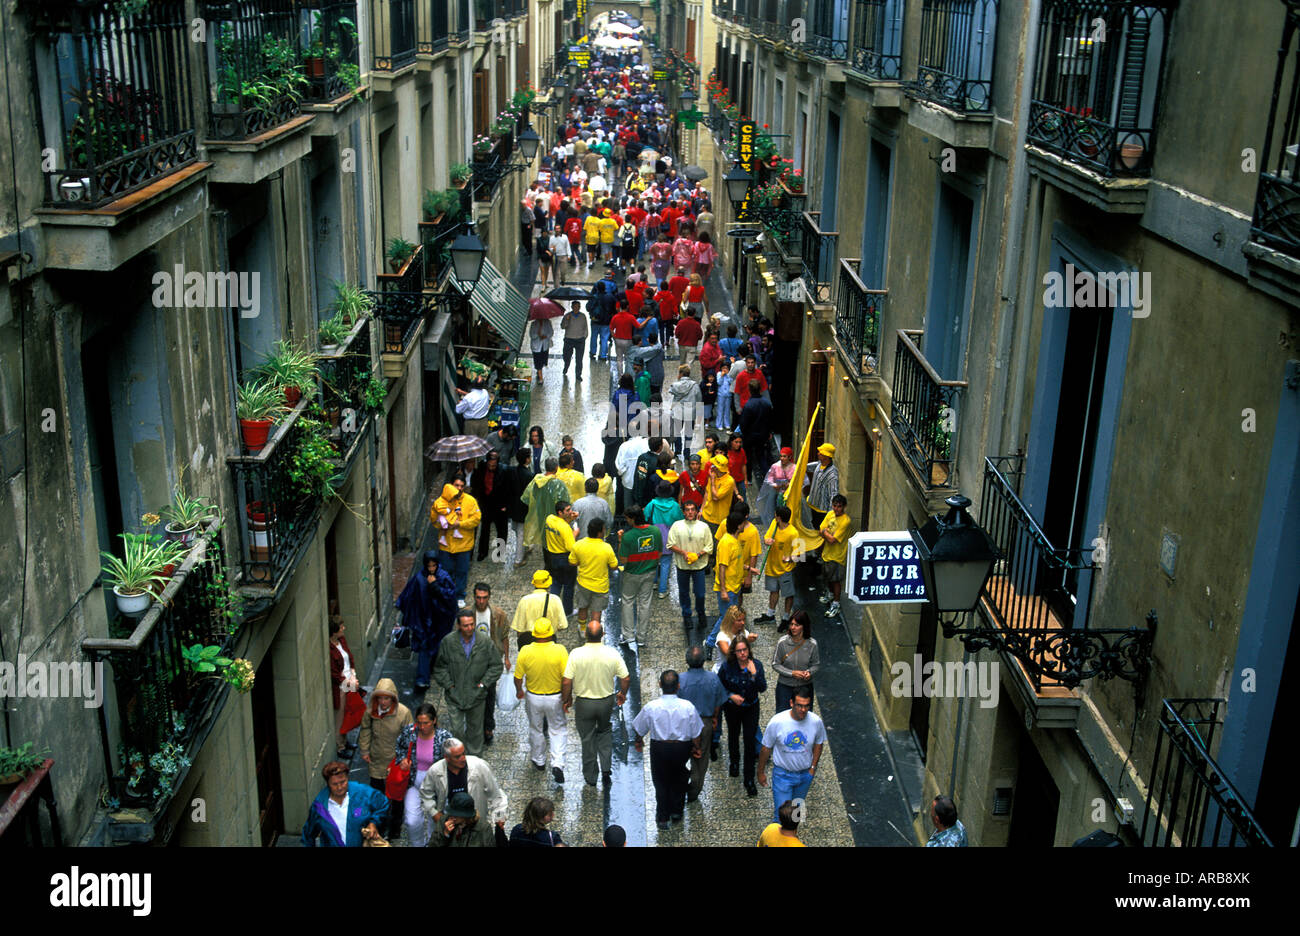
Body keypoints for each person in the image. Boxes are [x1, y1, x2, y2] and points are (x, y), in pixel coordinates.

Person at [631, 670, 705, 831]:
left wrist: (639, 741)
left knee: (661, 781)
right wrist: (697, 748)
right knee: (680, 777)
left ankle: (662, 816)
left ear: (660, 685)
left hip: (660, 748)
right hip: (681, 748)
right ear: (678, 686)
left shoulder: (652, 707)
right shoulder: (688, 707)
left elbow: (639, 727)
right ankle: (677, 811)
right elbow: (696, 732)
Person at [562, 621, 631, 787]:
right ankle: (606, 769)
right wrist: (622, 694)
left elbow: (566, 681)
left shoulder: (576, 654)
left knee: (587, 739)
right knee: (605, 731)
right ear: (603, 634)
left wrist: (567, 699)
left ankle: (591, 777)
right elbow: (626, 677)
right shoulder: (611, 653)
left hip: (584, 703)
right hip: (605, 701)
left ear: (586, 635)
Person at [431, 609, 503, 756]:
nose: (469, 628)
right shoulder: (448, 642)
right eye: (465, 626)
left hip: (477, 695)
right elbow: (439, 667)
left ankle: (475, 759)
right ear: (458, 626)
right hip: (454, 695)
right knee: (457, 729)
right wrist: (449, 685)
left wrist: (484, 684)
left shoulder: (484, 642)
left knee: (475, 731)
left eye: (472, 625)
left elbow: (496, 666)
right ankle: (458, 758)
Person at [757, 687, 826, 824]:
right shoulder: (777, 722)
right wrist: (760, 772)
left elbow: (819, 743)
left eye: (807, 706)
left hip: (805, 776)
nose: (803, 710)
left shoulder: (816, 721)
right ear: (791, 703)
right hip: (783, 776)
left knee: (795, 815)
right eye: (799, 705)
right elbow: (766, 748)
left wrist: (813, 768)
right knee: (782, 816)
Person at [514, 618, 570, 784]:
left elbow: (518, 677)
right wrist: (567, 698)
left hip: (533, 697)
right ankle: (558, 763)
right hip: (555, 697)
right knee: (558, 729)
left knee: (536, 728)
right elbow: (567, 679)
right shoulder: (560, 650)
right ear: (550, 633)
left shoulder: (525, 651)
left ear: (534, 634)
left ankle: (539, 760)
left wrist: (519, 690)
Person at [357, 677, 414, 839]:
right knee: (377, 796)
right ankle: (379, 826)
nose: (383, 702)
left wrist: (404, 760)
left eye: (387, 698)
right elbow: (366, 729)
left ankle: (395, 828)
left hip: (395, 763)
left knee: (396, 798)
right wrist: (364, 750)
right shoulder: (371, 711)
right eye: (380, 698)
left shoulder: (403, 713)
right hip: (376, 759)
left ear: (393, 698)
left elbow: (410, 738)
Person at [393, 552, 456, 692]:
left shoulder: (443, 577)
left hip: (439, 620)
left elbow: (449, 597)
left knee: (436, 645)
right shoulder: (419, 578)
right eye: (429, 566)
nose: (432, 568)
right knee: (425, 647)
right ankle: (422, 678)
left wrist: (435, 586)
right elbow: (408, 596)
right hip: (423, 620)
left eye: (434, 565)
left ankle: (431, 669)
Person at [420, 737, 508, 837]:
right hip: (449, 823)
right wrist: (435, 813)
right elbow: (425, 794)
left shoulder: (480, 766)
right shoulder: (435, 771)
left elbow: (496, 795)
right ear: (447, 757)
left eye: (463, 753)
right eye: (457, 757)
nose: (463, 759)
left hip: (474, 822)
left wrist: (499, 817)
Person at [393, 703, 452, 847]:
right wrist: (402, 760)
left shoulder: (444, 737)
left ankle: (433, 843)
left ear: (434, 721)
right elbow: (399, 746)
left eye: (426, 723)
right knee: (411, 820)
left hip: (436, 784)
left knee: (436, 818)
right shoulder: (409, 732)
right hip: (413, 781)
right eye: (419, 722)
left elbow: (453, 759)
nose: (422, 727)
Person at [677, 645, 728, 803]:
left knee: (680, 756)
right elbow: (719, 702)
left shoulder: (680, 679)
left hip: (684, 724)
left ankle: (680, 784)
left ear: (687, 660)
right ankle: (694, 791)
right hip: (704, 723)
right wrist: (714, 718)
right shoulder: (713, 678)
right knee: (701, 758)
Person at [718, 637, 767, 796]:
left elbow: (762, 688)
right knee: (733, 734)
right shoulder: (727, 667)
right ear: (734, 652)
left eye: (744, 650)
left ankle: (749, 779)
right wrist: (731, 695)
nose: (742, 653)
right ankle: (734, 762)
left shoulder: (756, 665)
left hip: (751, 707)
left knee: (749, 740)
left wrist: (754, 674)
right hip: (732, 708)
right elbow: (719, 686)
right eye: (739, 651)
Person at [302, 761, 390, 846]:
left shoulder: (363, 792)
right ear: (328, 784)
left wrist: (373, 823)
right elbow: (308, 835)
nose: (339, 787)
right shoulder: (319, 807)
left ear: (347, 778)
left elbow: (383, 803)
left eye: (343, 782)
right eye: (335, 784)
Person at [665, 498, 713, 637]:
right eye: (687, 510)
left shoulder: (703, 527)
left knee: (700, 593)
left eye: (693, 509)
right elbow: (670, 544)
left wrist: (698, 555)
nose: (690, 512)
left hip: (699, 566)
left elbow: (709, 546)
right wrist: (684, 553)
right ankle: (687, 615)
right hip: (682, 566)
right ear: (683, 512)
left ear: (697, 511)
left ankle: (701, 612)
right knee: (684, 593)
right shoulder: (676, 525)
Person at [616, 505, 662, 649]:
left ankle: (628, 636)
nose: (627, 521)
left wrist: (620, 540)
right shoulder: (655, 531)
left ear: (633, 519)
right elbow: (659, 554)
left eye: (628, 518)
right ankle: (641, 637)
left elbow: (623, 560)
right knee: (645, 603)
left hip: (632, 574)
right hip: (650, 573)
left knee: (628, 602)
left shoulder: (628, 537)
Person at [471, 583, 510, 746]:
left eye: (484, 598)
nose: (481, 601)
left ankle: (488, 726)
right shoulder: (467, 614)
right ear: (474, 597)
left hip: (491, 661)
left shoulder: (498, 614)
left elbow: (505, 636)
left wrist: (507, 658)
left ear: (489, 597)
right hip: (472, 661)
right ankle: (475, 725)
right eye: (478, 598)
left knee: (489, 693)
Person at [431, 480, 480, 604]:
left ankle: (459, 595)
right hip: (446, 546)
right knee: (446, 572)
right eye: (456, 485)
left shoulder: (470, 501)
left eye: (462, 486)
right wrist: (441, 525)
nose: (459, 488)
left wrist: (460, 524)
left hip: (463, 544)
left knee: (462, 572)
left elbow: (475, 520)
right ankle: (447, 594)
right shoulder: (442, 501)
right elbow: (434, 519)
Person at [570, 517, 619, 626]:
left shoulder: (579, 544)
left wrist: (582, 563)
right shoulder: (606, 548)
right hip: (600, 586)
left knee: (582, 608)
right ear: (600, 532)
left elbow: (572, 562)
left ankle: (582, 629)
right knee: (596, 611)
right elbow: (614, 566)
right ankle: (594, 631)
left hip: (583, 583)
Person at [757, 505, 801, 626]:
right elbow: (767, 536)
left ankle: (786, 618)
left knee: (788, 594)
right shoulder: (774, 524)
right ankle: (770, 614)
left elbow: (800, 554)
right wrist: (766, 541)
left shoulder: (794, 533)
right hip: (772, 567)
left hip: (785, 570)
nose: (774, 517)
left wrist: (789, 558)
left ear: (779, 517)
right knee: (773, 591)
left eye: (775, 515)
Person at [772, 611, 820, 713]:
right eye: (791, 624)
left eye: (797, 625)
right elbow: (775, 664)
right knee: (782, 716)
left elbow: (815, 664)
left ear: (804, 626)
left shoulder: (812, 644)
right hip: (785, 686)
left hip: (805, 687)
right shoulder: (782, 643)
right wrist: (792, 673)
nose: (793, 627)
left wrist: (809, 672)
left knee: (804, 715)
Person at [511, 569, 570, 650]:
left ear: (534, 583)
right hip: (548, 640)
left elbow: (519, 629)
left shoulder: (525, 600)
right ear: (549, 583)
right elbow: (563, 625)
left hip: (529, 642)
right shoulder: (555, 600)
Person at [645, 480, 684, 601]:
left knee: (654, 561)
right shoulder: (675, 506)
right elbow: (680, 520)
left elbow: (646, 516)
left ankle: (654, 583)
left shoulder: (652, 504)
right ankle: (662, 591)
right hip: (669, 537)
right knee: (666, 563)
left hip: (654, 537)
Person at [520, 457, 568, 553]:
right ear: (556, 468)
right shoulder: (558, 484)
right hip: (555, 518)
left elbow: (526, 498)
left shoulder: (536, 481)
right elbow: (565, 502)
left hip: (540, 515)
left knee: (544, 539)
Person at [471, 451, 511, 564]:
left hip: (500, 505)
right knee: (484, 529)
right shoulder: (481, 468)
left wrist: (506, 505)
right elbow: (477, 483)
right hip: (486, 504)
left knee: (502, 530)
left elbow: (509, 489)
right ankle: (482, 552)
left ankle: (500, 552)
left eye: (493, 465)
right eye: (489, 465)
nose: (491, 467)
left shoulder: (504, 470)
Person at [329, 616, 358, 759]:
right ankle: (340, 747)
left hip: (350, 680)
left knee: (349, 713)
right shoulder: (330, 649)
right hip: (341, 686)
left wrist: (353, 674)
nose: (344, 628)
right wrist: (349, 682)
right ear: (334, 631)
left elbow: (349, 657)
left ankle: (345, 741)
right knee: (340, 716)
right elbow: (334, 673)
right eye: (341, 627)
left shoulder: (342, 640)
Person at [818, 494, 852, 618]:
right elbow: (820, 529)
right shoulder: (830, 514)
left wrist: (825, 532)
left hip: (837, 556)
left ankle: (836, 604)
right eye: (834, 506)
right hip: (827, 553)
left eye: (839, 506)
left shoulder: (846, 521)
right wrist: (826, 533)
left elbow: (832, 539)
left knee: (836, 580)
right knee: (827, 577)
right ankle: (830, 595)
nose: (836, 509)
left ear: (844, 507)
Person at [544, 499, 579, 613]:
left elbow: (560, 526)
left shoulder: (549, 519)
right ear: (560, 513)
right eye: (567, 510)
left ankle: (552, 609)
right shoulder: (565, 528)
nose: (570, 512)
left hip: (552, 557)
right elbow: (571, 547)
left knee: (556, 583)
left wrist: (570, 519)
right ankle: (567, 611)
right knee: (569, 586)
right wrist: (575, 533)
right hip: (565, 559)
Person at [738, 379, 774, 485]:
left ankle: (748, 479)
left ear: (749, 390)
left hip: (749, 436)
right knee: (761, 456)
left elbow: (743, 423)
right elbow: (770, 420)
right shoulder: (766, 403)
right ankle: (767, 478)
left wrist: (743, 433)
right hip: (763, 435)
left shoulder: (749, 405)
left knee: (748, 457)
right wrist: (769, 432)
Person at [759, 446, 797, 530]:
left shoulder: (794, 468)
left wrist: (790, 485)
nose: (782, 458)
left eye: (784, 456)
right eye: (781, 456)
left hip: (789, 496)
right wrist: (774, 485)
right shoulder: (775, 466)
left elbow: (800, 481)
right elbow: (769, 479)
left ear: (790, 457)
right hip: (776, 494)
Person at [805, 442, 839, 532]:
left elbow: (833, 493)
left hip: (822, 510)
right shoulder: (819, 464)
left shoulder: (832, 474)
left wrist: (831, 514)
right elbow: (807, 467)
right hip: (813, 504)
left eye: (821, 452)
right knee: (813, 525)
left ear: (827, 456)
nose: (818, 453)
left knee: (819, 530)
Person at [702, 453, 737, 535]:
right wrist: (701, 510)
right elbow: (707, 492)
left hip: (718, 520)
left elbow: (715, 497)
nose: (712, 466)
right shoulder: (713, 475)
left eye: (713, 465)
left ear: (717, 468)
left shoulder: (729, 481)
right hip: (706, 515)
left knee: (714, 545)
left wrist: (713, 481)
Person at [561, 301, 589, 381]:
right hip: (569, 339)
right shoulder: (567, 315)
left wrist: (584, 337)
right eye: (575, 306)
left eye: (578, 306)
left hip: (580, 340)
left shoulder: (583, 316)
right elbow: (563, 326)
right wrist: (566, 320)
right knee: (566, 356)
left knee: (579, 359)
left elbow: (585, 328)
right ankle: (566, 366)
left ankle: (578, 374)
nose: (576, 308)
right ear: (572, 307)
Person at [529, 314, 554, 384]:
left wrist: (545, 336)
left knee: (543, 361)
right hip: (536, 346)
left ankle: (538, 371)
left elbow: (551, 332)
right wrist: (538, 334)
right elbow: (531, 335)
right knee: (538, 361)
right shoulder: (533, 324)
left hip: (544, 346)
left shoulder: (548, 322)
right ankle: (541, 378)